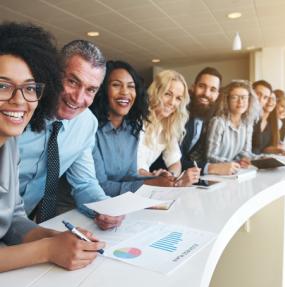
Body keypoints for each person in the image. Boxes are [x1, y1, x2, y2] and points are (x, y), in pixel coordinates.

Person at [0, 22, 104, 272]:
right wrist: (46, 249)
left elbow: (12, 217)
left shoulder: (9, 139)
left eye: (28, 88)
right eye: (3, 85)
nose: (19, 100)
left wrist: (52, 237)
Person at [18, 39, 122, 230]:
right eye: (73, 82)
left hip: (22, 227)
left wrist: (105, 208)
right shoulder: (19, 110)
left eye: (90, 90)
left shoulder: (86, 123)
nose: (78, 98)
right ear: (54, 74)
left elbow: (84, 183)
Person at [90, 61, 173, 197]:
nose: (125, 92)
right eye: (116, 85)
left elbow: (129, 176)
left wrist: (156, 178)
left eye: (131, 86)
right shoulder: (92, 129)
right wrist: (150, 184)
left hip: (118, 204)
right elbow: (100, 186)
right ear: (103, 90)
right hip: (80, 208)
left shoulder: (131, 129)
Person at [137, 70, 200, 187]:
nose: (172, 102)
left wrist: (171, 175)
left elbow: (175, 162)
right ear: (156, 92)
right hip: (129, 185)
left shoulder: (168, 125)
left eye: (178, 98)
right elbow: (134, 167)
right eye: (167, 94)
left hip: (146, 184)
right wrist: (154, 176)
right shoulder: (137, 120)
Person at [183, 67, 241, 175]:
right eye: (201, 86)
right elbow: (174, 161)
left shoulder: (207, 117)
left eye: (212, 90)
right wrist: (211, 168)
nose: (206, 93)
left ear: (217, 95)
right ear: (193, 87)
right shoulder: (181, 115)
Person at [206, 80, 259, 164]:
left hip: (234, 171)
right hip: (215, 172)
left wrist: (260, 158)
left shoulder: (247, 124)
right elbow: (210, 156)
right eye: (234, 97)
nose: (240, 102)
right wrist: (234, 163)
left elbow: (245, 152)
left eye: (244, 97)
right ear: (227, 100)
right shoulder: (218, 122)